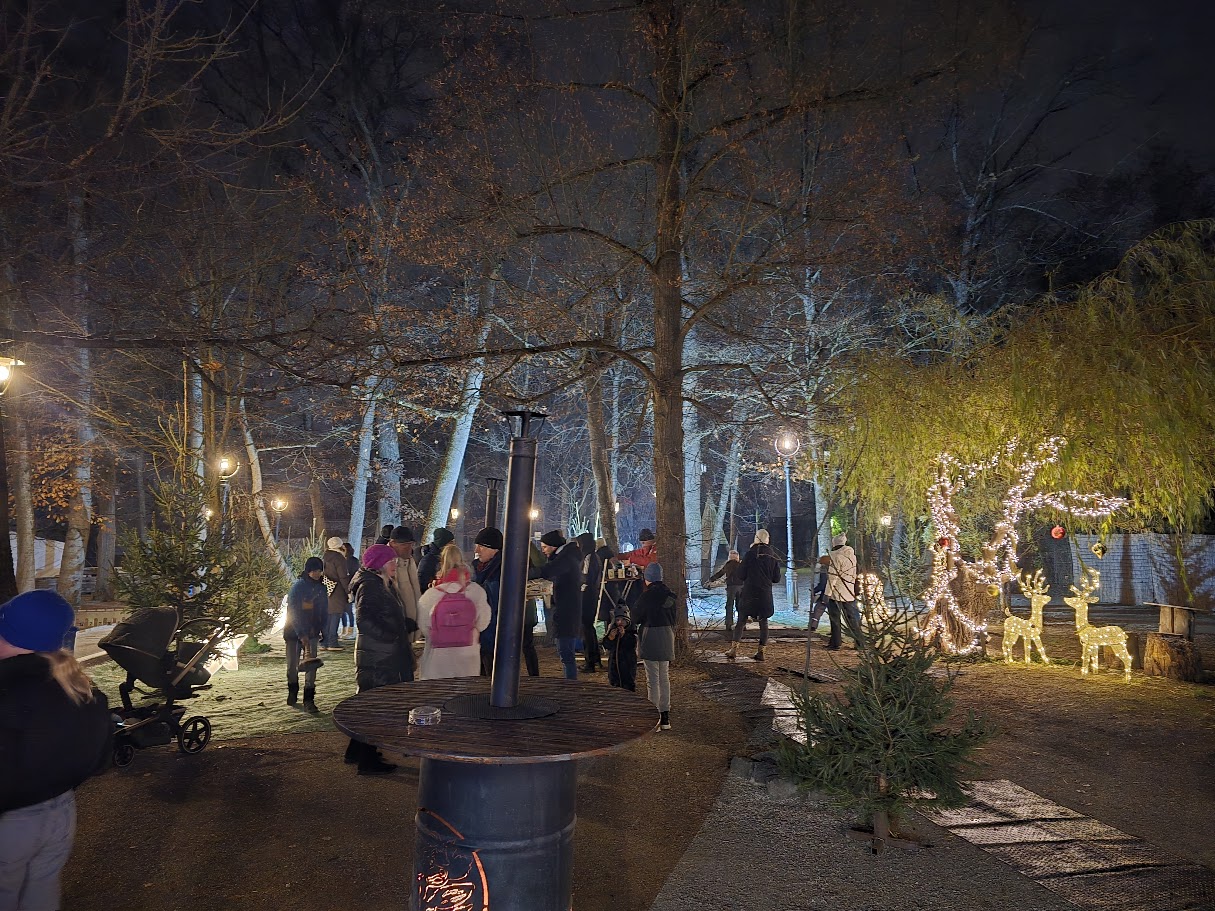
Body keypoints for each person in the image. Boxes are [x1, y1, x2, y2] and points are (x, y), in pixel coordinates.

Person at [0, 591, 111, 910]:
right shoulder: (79, 687)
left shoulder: (10, 695)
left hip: (12, 822)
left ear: (11, 637)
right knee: (41, 892)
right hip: (61, 813)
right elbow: (101, 758)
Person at [346, 543, 412, 775]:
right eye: (391, 561)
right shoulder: (371, 586)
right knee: (376, 707)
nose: (395, 565)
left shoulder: (379, 583)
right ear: (380, 564)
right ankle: (368, 760)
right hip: (378, 656)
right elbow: (364, 620)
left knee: (370, 704)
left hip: (379, 654)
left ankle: (357, 752)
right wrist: (391, 634)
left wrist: (402, 626)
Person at [417, 543, 492, 679]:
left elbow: (424, 626)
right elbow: (483, 623)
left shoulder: (431, 594)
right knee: (465, 694)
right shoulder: (476, 591)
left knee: (440, 693)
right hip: (468, 653)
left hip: (438, 656)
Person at [631, 563, 676, 730]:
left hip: (650, 636)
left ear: (647, 578)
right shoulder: (670, 596)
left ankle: (654, 719)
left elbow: (635, 616)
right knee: (664, 677)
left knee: (652, 679)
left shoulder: (645, 596)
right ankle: (665, 718)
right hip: (667, 636)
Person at [727, 530, 781, 662]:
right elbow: (776, 578)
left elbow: (741, 574)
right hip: (765, 594)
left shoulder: (750, 554)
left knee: (741, 621)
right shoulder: (773, 556)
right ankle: (761, 652)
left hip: (749, 593)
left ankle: (734, 649)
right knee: (764, 622)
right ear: (768, 539)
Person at [536, 530, 584, 680]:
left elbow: (548, 570)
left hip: (566, 611)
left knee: (566, 654)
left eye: (544, 547)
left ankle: (571, 686)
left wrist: (528, 573)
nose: (543, 551)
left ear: (553, 546)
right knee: (565, 652)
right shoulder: (568, 557)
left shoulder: (565, 560)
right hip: (568, 609)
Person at [285, 557, 326, 713]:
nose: (317, 573)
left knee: (311, 667)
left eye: (319, 570)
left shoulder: (321, 588)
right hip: (294, 633)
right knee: (292, 666)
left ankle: (309, 699)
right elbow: (294, 612)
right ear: (308, 571)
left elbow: (323, 610)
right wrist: (301, 633)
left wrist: (323, 629)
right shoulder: (298, 588)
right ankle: (292, 690)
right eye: (315, 570)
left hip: (312, 632)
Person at [387, 526, 422, 672]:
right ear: (393, 543)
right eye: (405, 545)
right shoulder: (388, 563)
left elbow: (414, 589)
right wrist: (401, 621)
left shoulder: (409, 560)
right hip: (398, 628)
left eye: (411, 544)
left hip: (410, 624)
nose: (409, 548)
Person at [472, 527, 503, 676]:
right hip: (480, 631)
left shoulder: (501, 570)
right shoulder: (477, 568)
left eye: (482, 546)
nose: (477, 550)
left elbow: (495, 603)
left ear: (494, 550)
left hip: (491, 632)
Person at [825, 532, 861, 650]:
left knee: (835, 619)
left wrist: (827, 594)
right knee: (852, 619)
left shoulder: (835, 556)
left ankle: (836, 643)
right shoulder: (852, 556)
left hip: (837, 593)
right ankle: (860, 643)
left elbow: (832, 577)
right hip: (849, 592)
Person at [576, 532, 603, 673]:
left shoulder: (588, 558)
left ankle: (590, 661)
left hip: (586, 596)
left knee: (586, 628)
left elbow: (585, 578)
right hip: (591, 595)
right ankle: (595, 657)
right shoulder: (594, 557)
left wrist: (578, 590)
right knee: (589, 628)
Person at [321, 536, 350, 651]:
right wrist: (348, 590)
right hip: (337, 589)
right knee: (335, 615)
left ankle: (325, 641)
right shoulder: (339, 558)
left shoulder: (325, 557)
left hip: (326, 588)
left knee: (328, 615)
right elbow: (343, 576)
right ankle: (332, 642)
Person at [601, 606, 637, 692]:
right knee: (614, 685)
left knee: (627, 685)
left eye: (623, 620)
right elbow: (606, 645)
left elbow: (631, 644)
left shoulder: (631, 633)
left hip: (627, 664)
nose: (620, 622)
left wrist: (624, 636)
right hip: (614, 666)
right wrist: (610, 638)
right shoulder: (613, 631)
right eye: (617, 620)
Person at [707, 549, 743, 635]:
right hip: (741, 587)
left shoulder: (728, 565)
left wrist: (711, 579)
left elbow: (721, 573)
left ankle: (729, 624)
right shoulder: (741, 565)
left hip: (731, 587)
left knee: (729, 605)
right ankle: (741, 624)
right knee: (740, 606)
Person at [418, 527, 455, 592]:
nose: (454, 545)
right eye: (451, 542)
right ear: (443, 544)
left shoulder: (449, 558)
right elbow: (422, 583)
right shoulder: (428, 560)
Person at [340, 543, 359, 639]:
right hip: (342, 587)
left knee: (348, 609)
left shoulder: (353, 561)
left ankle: (350, 630)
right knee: (342, 610)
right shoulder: (341, 560)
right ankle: (344, 629)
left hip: (349, 587)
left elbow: (354, 574)